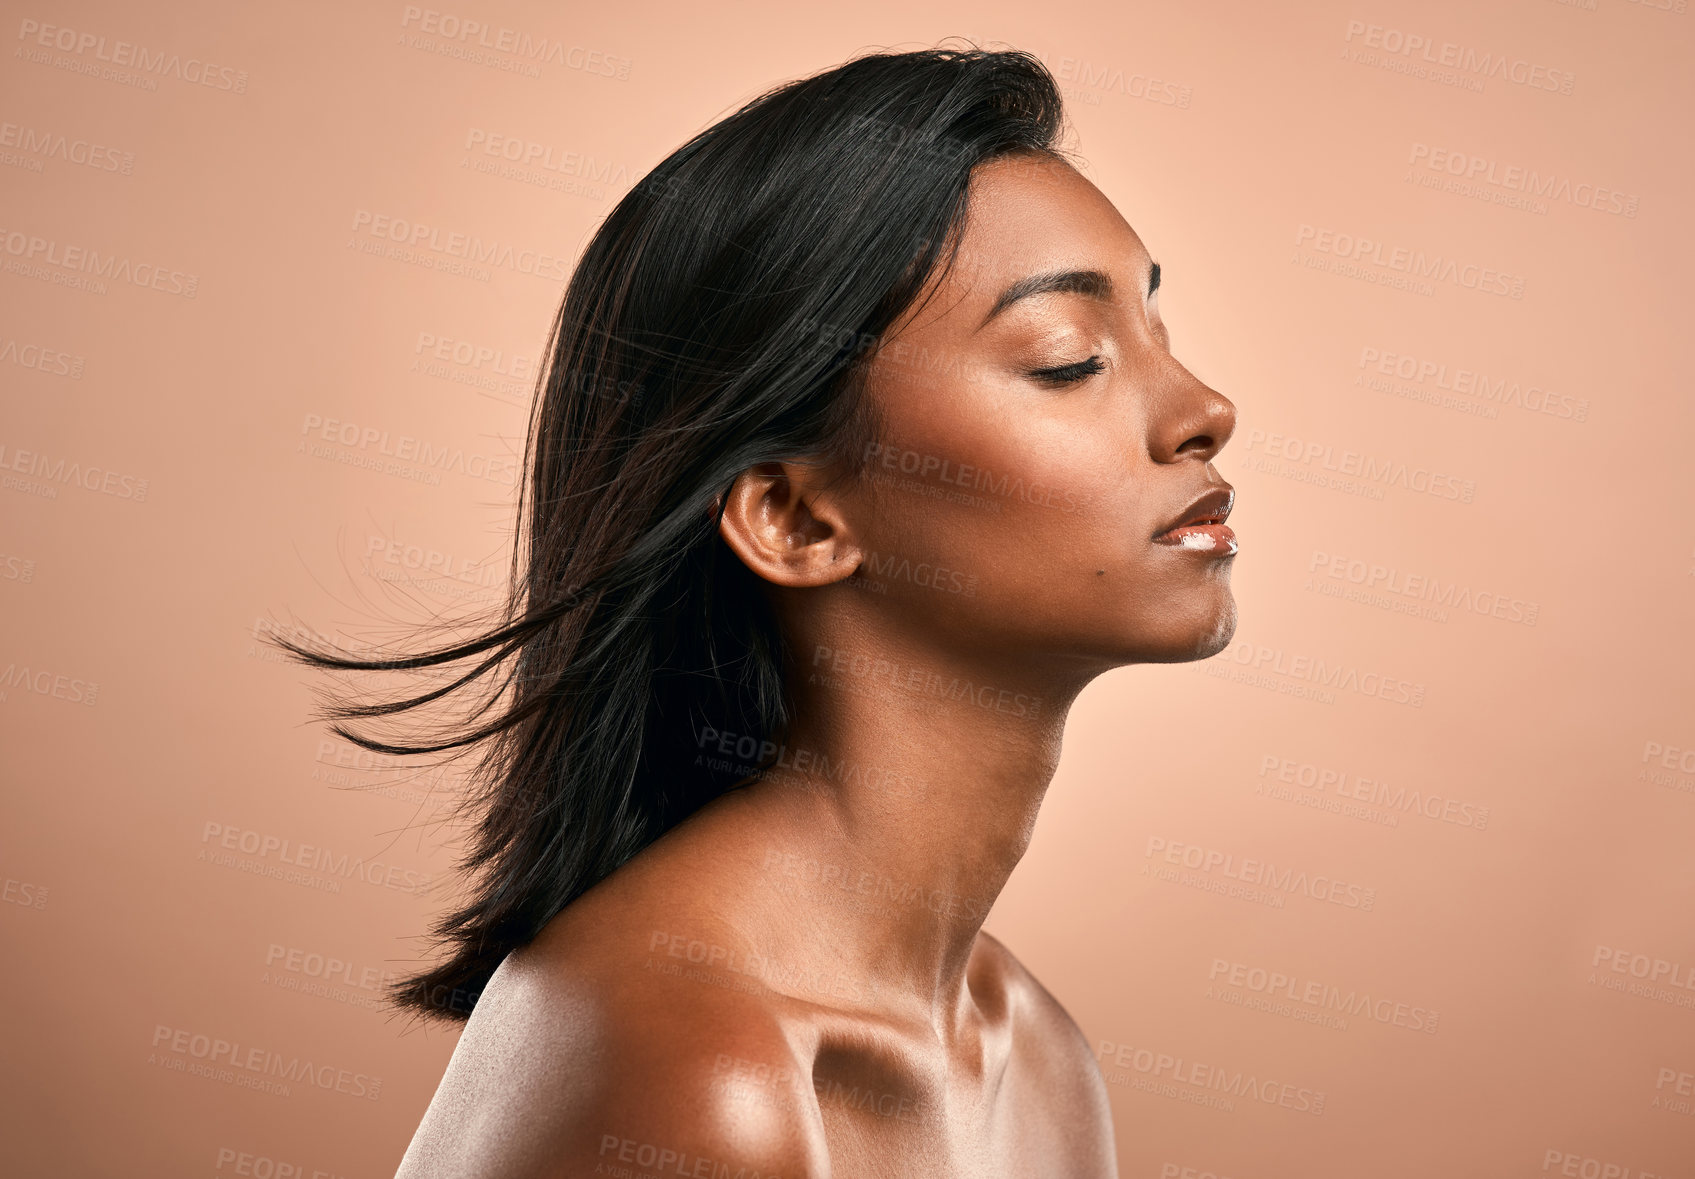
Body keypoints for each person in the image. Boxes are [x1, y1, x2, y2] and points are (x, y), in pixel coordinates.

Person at [276, 42, 1237, 1178]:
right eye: (1068, 360)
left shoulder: (1034, 1055)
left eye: (1157, 333)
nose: (1205, 409)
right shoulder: (697, 1070)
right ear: (794, 518)